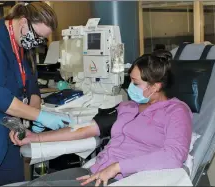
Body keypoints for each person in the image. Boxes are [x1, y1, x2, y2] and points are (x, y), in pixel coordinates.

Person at [10, 50, 193, 186]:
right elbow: (83, 129)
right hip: (96, 171)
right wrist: (36, 137)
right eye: (130, 81)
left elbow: (173, 156)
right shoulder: (127, 107)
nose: (130, 87)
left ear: (155, 87)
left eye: (136, 83)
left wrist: (117, 167)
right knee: (34, 185)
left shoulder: (176, 111)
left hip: (123, 179)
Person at [0, 2, 74, 186]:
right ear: (23, 22)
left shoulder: (20, 43)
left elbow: (31, 86)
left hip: (9, 135)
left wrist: (32, 115)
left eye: (42, 39)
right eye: (38, 36)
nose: (38, 42)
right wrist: (40, 115)